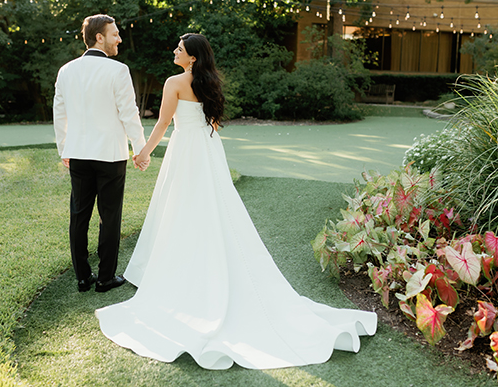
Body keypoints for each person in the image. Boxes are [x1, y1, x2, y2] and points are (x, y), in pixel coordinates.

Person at [95, 33, 377, 369]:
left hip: (186, 152)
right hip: (208, 150)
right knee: (213, 209)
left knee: (181, 212)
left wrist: (143, 153)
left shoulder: (175, 82)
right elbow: (211, 123)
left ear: (192, 58)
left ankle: (186, 275)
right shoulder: (209, 83)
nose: (174, 51)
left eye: (180, 49)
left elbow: (163, 123)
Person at [53, 14, 148, 294]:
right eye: (115, 34)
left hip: (78, 154)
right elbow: (129, 114)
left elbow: (60, 114)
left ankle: (83, 277)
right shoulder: (118, 71)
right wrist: (140, 149)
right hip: (110, 155)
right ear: (99, 37)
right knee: (110, 216)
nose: (119, 38)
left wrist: (64, 148)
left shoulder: (66, 70)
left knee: (79, 215)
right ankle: (105, 278)